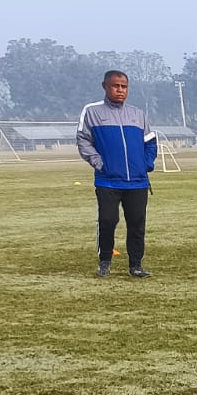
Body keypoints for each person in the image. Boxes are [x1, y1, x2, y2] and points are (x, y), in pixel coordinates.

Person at [76, 70, 156, 278]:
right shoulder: (92, 112)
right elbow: (83, 139)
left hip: (137, 182)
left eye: (124, 86)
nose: (120, 90)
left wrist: (145, 165)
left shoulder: (137, 114)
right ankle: (105, 262)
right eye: (115, 86)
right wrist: (98, 162)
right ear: (105, 86)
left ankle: (136, 265)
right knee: (108, 221)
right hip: (108, 181)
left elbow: (150, 143)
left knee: (137, 224)